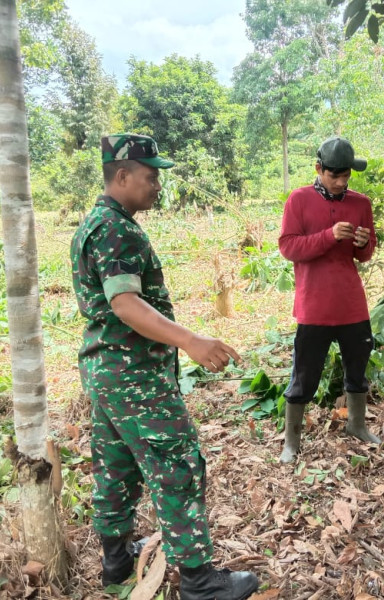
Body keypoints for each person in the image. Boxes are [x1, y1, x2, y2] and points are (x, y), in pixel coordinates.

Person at [70, 133, 259, 600]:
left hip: (107, 372)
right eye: (150, 176)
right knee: (177, 464)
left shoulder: (94, 223)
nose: (158, 185)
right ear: (122, 175)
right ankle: (199, 581)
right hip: (134, 377)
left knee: (116, 465)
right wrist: (190, 340)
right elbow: (125, 303)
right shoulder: (117, 229)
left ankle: (116, 560)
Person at [277, 136, 381, 464]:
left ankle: (357, 425)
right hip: (314, 306)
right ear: (318, 169)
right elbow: (288, 247)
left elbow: (365, 254)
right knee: (304, 375)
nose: (340, 182)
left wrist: (363, 243)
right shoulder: (299, 200)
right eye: (334, 175)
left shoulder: (361, 203)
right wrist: (329, 235)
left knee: (357, 370)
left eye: (346, 176)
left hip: (352, 304)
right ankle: (292, 442)